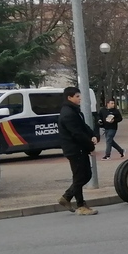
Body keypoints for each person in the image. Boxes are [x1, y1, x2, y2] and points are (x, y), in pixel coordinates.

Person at [57, 86, 99, 215]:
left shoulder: (73, 111)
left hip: (77, 149)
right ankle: (74, 201)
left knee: (80, 176)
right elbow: (77, 134)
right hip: (75, 150)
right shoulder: (68, 114)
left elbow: (83, 127)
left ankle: (74, 201)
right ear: (69, 98)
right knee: (82, 176)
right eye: (77, 96)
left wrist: (93, 135)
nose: (80, 98)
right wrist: (90, 147)